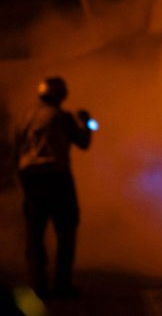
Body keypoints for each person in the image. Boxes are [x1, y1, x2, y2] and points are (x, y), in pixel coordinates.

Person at [12, 76, 93, 299]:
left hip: (30, 178)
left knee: (35, 234)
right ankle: (62, 284)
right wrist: (86, 123)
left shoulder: (23, 116)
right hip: (57, 178)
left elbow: (15, 147)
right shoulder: (61, 117)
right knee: (66, 231)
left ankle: (38, 285)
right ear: (60, 95)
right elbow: (83, 143)